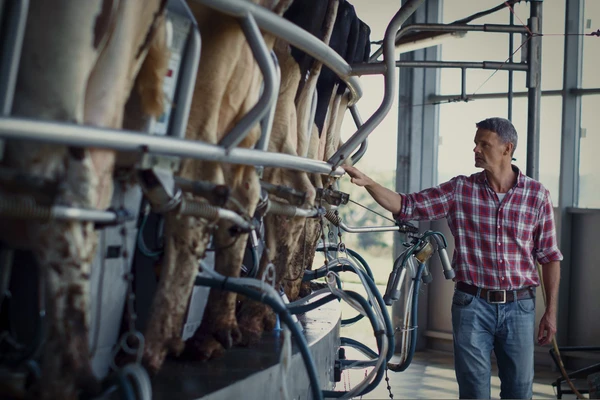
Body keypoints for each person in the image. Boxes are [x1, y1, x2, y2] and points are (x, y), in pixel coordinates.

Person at [343, 117, 562, 399]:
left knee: (519, 391)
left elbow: (549, 257)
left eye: (485, 144)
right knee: (473, 392)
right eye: (475, 144)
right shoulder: (460, 189)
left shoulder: (536, 195)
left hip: (519, 308)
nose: (476, 150)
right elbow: (407, 205)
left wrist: (551, 312)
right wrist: (369, 183)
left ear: (507, 149)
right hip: (472, 306)